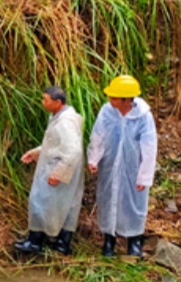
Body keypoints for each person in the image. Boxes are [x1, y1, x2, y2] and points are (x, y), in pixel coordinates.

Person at [88, 74, 158, 258]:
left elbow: (149, 147)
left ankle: (134, 241)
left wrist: (144, 176)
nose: (110, 100)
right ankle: (108, 240)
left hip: (133, 167)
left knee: (134, 203)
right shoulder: (107, 111)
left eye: (114, 97)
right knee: (108, 199)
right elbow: (98, 135)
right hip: (110, 165)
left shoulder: (143, 116)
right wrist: (94, 158)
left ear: (127, 99)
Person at [12, 86, 85, 256]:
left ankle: (35, 241)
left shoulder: (66, 122)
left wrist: (58, 173)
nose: (43, 103)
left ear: (58, 102)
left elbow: (73, 150)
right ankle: (60, 243)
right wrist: (37, 152)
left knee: (40, 201)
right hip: (60, 165)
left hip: (60, 167)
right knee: (64, 204)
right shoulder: (59, 118)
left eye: (46, 100)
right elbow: (56, 144)